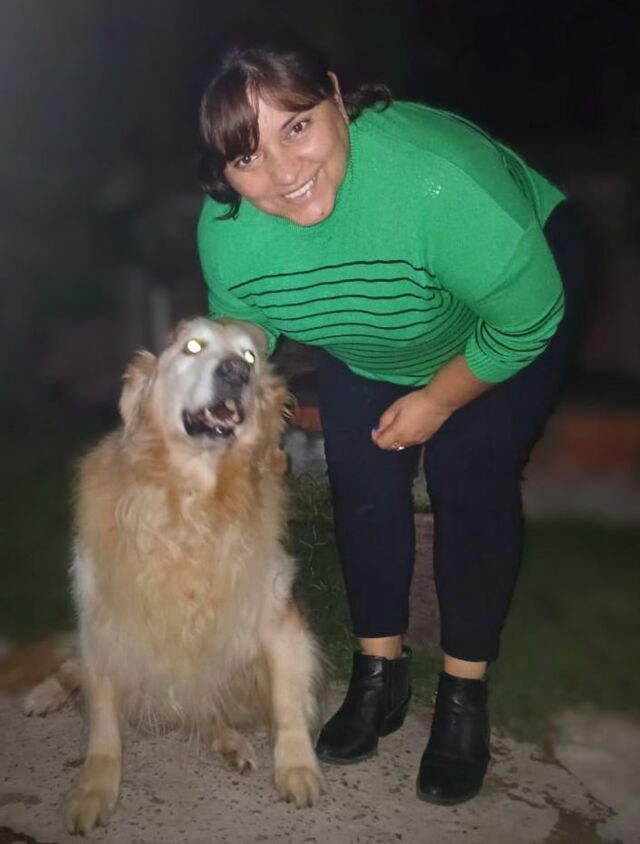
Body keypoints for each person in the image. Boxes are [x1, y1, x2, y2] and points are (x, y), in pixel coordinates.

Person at [196, 30, 593, 805]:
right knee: (361, 472)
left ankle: (463, 696)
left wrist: (439, 400)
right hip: (377, 322)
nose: (282, 173)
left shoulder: (435, 181)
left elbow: (525, 320)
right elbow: (246, 323)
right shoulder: (229, 231)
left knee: (468, 467)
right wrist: (217, 381)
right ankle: (379, 675)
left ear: (335, 98)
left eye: (297, 126)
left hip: (508, 301)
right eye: (247, 157)